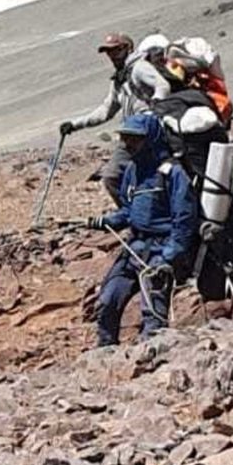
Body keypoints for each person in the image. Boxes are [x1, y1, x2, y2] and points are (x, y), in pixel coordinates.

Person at [85, 113, 196, 347]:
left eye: (134, 139)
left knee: (153, 312)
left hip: (160, 250)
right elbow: (128, 210)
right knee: (107, 300)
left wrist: (170, 256)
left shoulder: (172, 173)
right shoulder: (134, 170)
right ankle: (105, 353)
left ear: (151, 138)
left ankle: (152, 359)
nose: (128, 144)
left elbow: (184, 219)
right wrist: (105, 221)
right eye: (125, 138)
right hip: (135, 246)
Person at [59, 33, 173, 204]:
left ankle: (142, 216)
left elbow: (162, 85)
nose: (112, 55)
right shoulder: (119, 79)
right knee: (114, 177)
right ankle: (131, 214)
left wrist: (154, 108)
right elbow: (106, 110)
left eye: (116, 50)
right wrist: (75, 125)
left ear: (128, 48)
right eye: (108, 52)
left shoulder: (139, 67)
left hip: (147, 133)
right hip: (131, 136)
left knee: (123, 177)